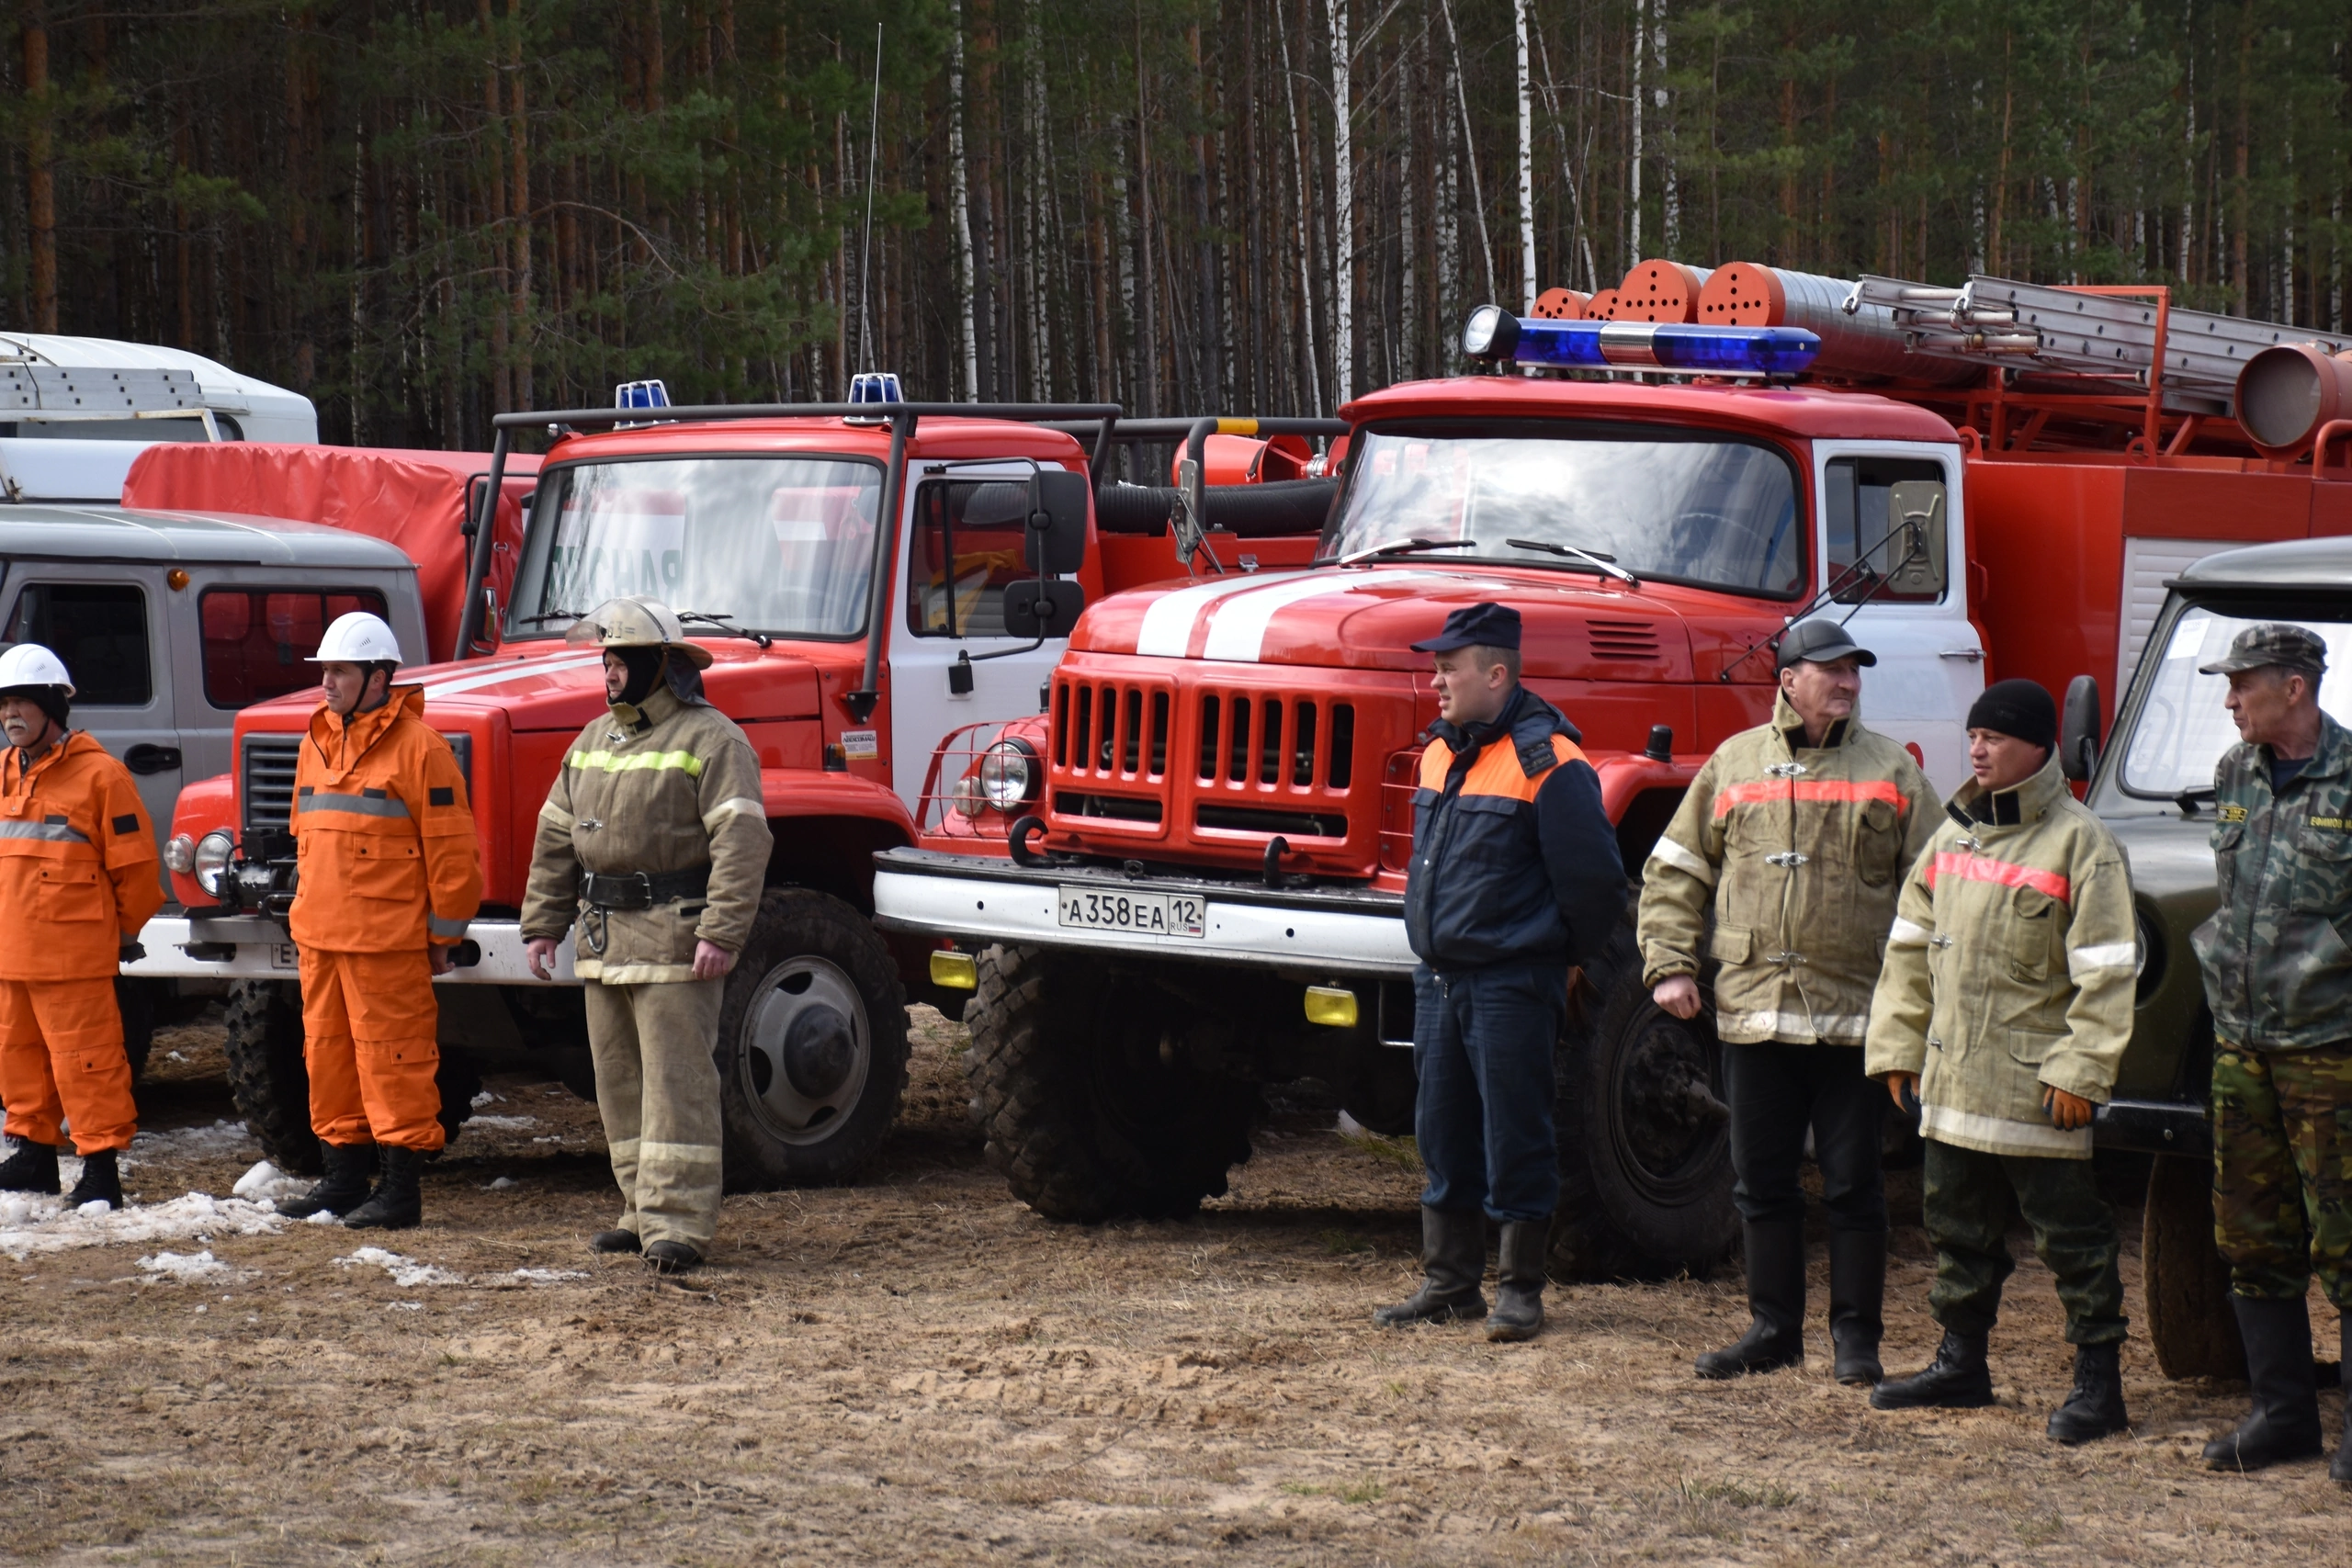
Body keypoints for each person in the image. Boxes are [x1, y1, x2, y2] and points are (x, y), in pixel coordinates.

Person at [1638, 618, 1937, 1384]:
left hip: (1855, 1018)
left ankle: (1856, 1341)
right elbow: (1675, 867)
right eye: (1831, 671)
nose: (1847, 683)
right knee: (1760, 1182)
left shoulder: (1893, 770)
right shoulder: (1734, 763)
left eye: (1854, 672)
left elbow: (1938, 885)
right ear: (1789, 679)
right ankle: (1772, 1330)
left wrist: (1927, 999)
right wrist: (1670, 965)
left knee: (1854, 1185)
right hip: (1754, 1013)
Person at [1864, 678, 2137, 1444]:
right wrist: (1896, 1048)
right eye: (1974, 734)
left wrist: (2082, 1068)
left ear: (2040, 746)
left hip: (2037, 1090)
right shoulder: (1949, 839)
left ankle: (2099, 1385)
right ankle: (1961, 1365)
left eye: (1996, 736)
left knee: (2072, 1239)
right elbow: (1908, 955)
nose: (1977, 747)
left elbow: (2109, 970)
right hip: (1952, 1083)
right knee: (1957, 1228)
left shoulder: (2083, 844)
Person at [1374, 602, 1625, 1343]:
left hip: (1513, 980)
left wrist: (1555, 959)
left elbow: (1596, 886)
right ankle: (1450, 1283)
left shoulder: (1550, 761)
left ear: (1496, 673)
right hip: (1441, 975)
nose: (1436, 679)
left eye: (1449, 668)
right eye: (1436, 666)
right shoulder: (1439, 752)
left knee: (1517, 1130)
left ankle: (1520, 1288)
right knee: (1441, 1130)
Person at [520, 596, 771, 1275]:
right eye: (605, 660)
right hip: (605, 943)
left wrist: (721, 930)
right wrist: (544, 923)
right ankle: (638, 1210)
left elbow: (743, 841)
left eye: (620, 660)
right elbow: (553, 837)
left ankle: (679, 1223)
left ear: (658, 665)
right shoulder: (592, 741)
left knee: (676, 1084)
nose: (607, 672)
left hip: (675, 941)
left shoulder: (712, 740)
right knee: (621, 1084)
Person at [2187, 623, 2352, 1479]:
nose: (2228, 699)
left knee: (2346, 1238)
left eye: (2242, 683)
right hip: (2241, 1046)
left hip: (2330, 1050)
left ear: (2294, 686)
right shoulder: (2234, 775)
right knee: (2250, 1235)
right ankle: (2282, 1414)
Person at [274, 613, 481, 1230]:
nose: (327, 682)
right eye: (325, 671)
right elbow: (303, 835)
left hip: (385, 944)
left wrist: (444, 935)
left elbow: (454, 856)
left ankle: (399, 1189)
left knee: (394, 1061)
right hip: (321, 938)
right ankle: (341, 1181)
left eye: (339, 670)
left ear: (378, 676)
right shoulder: (315, 742)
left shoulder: (421, 749)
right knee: (329, 1058)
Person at [0, 644, 162, 1211]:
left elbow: (138, 872)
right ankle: (33, 1158)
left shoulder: (101, 777)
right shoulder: (2, 771)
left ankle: (100, 1173)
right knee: (18, 1058)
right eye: (3, 705)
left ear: (52, 707)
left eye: (21, 703)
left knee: (88, 1063)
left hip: (72, 959)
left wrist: (116, 935)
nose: (10, 716)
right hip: (10, 954)